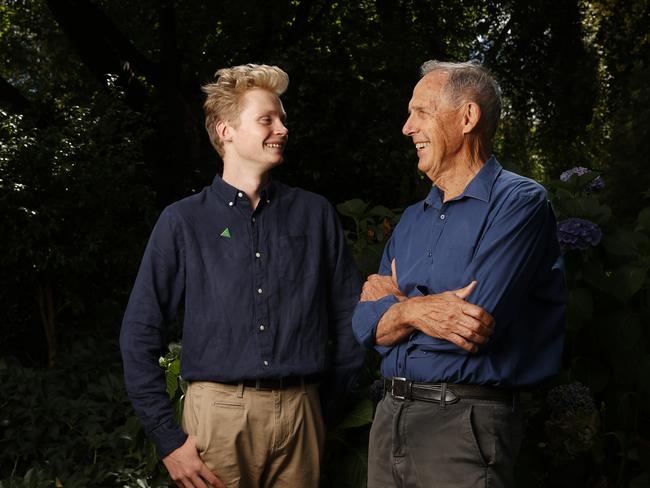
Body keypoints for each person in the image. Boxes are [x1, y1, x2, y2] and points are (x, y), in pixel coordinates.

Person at [120, 64, 363, 488]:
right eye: (267, 119)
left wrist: (322, 409)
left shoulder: (315, 213)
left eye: (283, 119)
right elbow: (140, 332)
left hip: (303, 415)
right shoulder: (182, 221)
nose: (283, 129)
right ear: (226, 130)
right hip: (216, 419)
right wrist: (167, 439)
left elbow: (350, 318)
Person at [352, 60, 566, 487]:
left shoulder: (520, 203)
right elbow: (363, 327)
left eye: (421, 112)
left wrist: (394, 308)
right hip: (389, 420)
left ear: (468, 117)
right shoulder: (411, 219)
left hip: (463, 426)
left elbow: (472, 324)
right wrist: (418, 312)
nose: (406, 128)